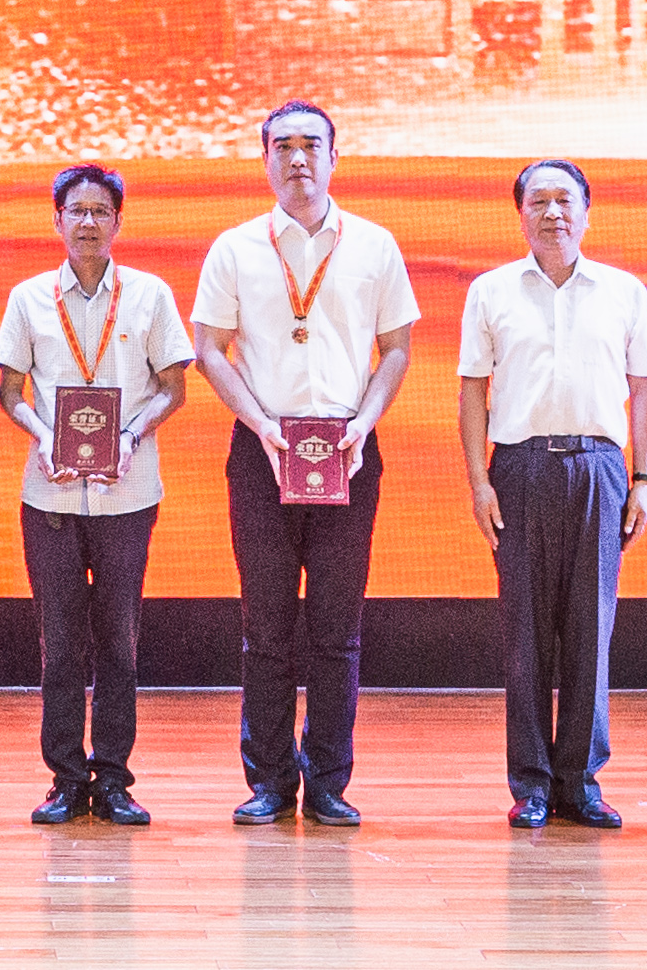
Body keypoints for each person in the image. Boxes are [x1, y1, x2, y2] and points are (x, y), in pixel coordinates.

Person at [189, 100, 418, 827]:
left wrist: (364, 424)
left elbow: (397, 349)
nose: (298, 158)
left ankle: (327, 782)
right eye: (282, 146)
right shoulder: (234, 248)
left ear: (333, 156)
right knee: (265, 625)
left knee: (336, 629)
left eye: (311, 145)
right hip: (263, 451)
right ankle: (267, 780)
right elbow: (207, 348)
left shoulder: (375, 245)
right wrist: (259, 423)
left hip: (348, 451)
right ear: (264, 159)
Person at [459, 158, 647, 831]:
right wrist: (479, 480)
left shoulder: (623, 291)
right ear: (520, 213)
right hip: (518, 468)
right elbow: (472, 391)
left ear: (586, 212)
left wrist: (642, 478)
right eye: (539, 201)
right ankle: (531, 785)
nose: (553, 212)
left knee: (590, 632)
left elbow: (644, 390)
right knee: (524, 634)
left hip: (599, 468)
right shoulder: (490, 291)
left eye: (565, 200)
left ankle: (580, 781)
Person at [0, 162, 193, 826]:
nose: (87, 222)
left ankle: (112, 779)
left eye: (100, 211)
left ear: (117, 221)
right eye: (76, 211)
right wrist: (41, 435)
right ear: (57, 220)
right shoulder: (28, 298)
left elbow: (173, 387)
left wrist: (130, 435)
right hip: (48, 495)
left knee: (118, 643)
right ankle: (63, 779)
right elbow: (9, 392)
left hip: (127, 495)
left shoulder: (150, 294)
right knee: (58, 645)